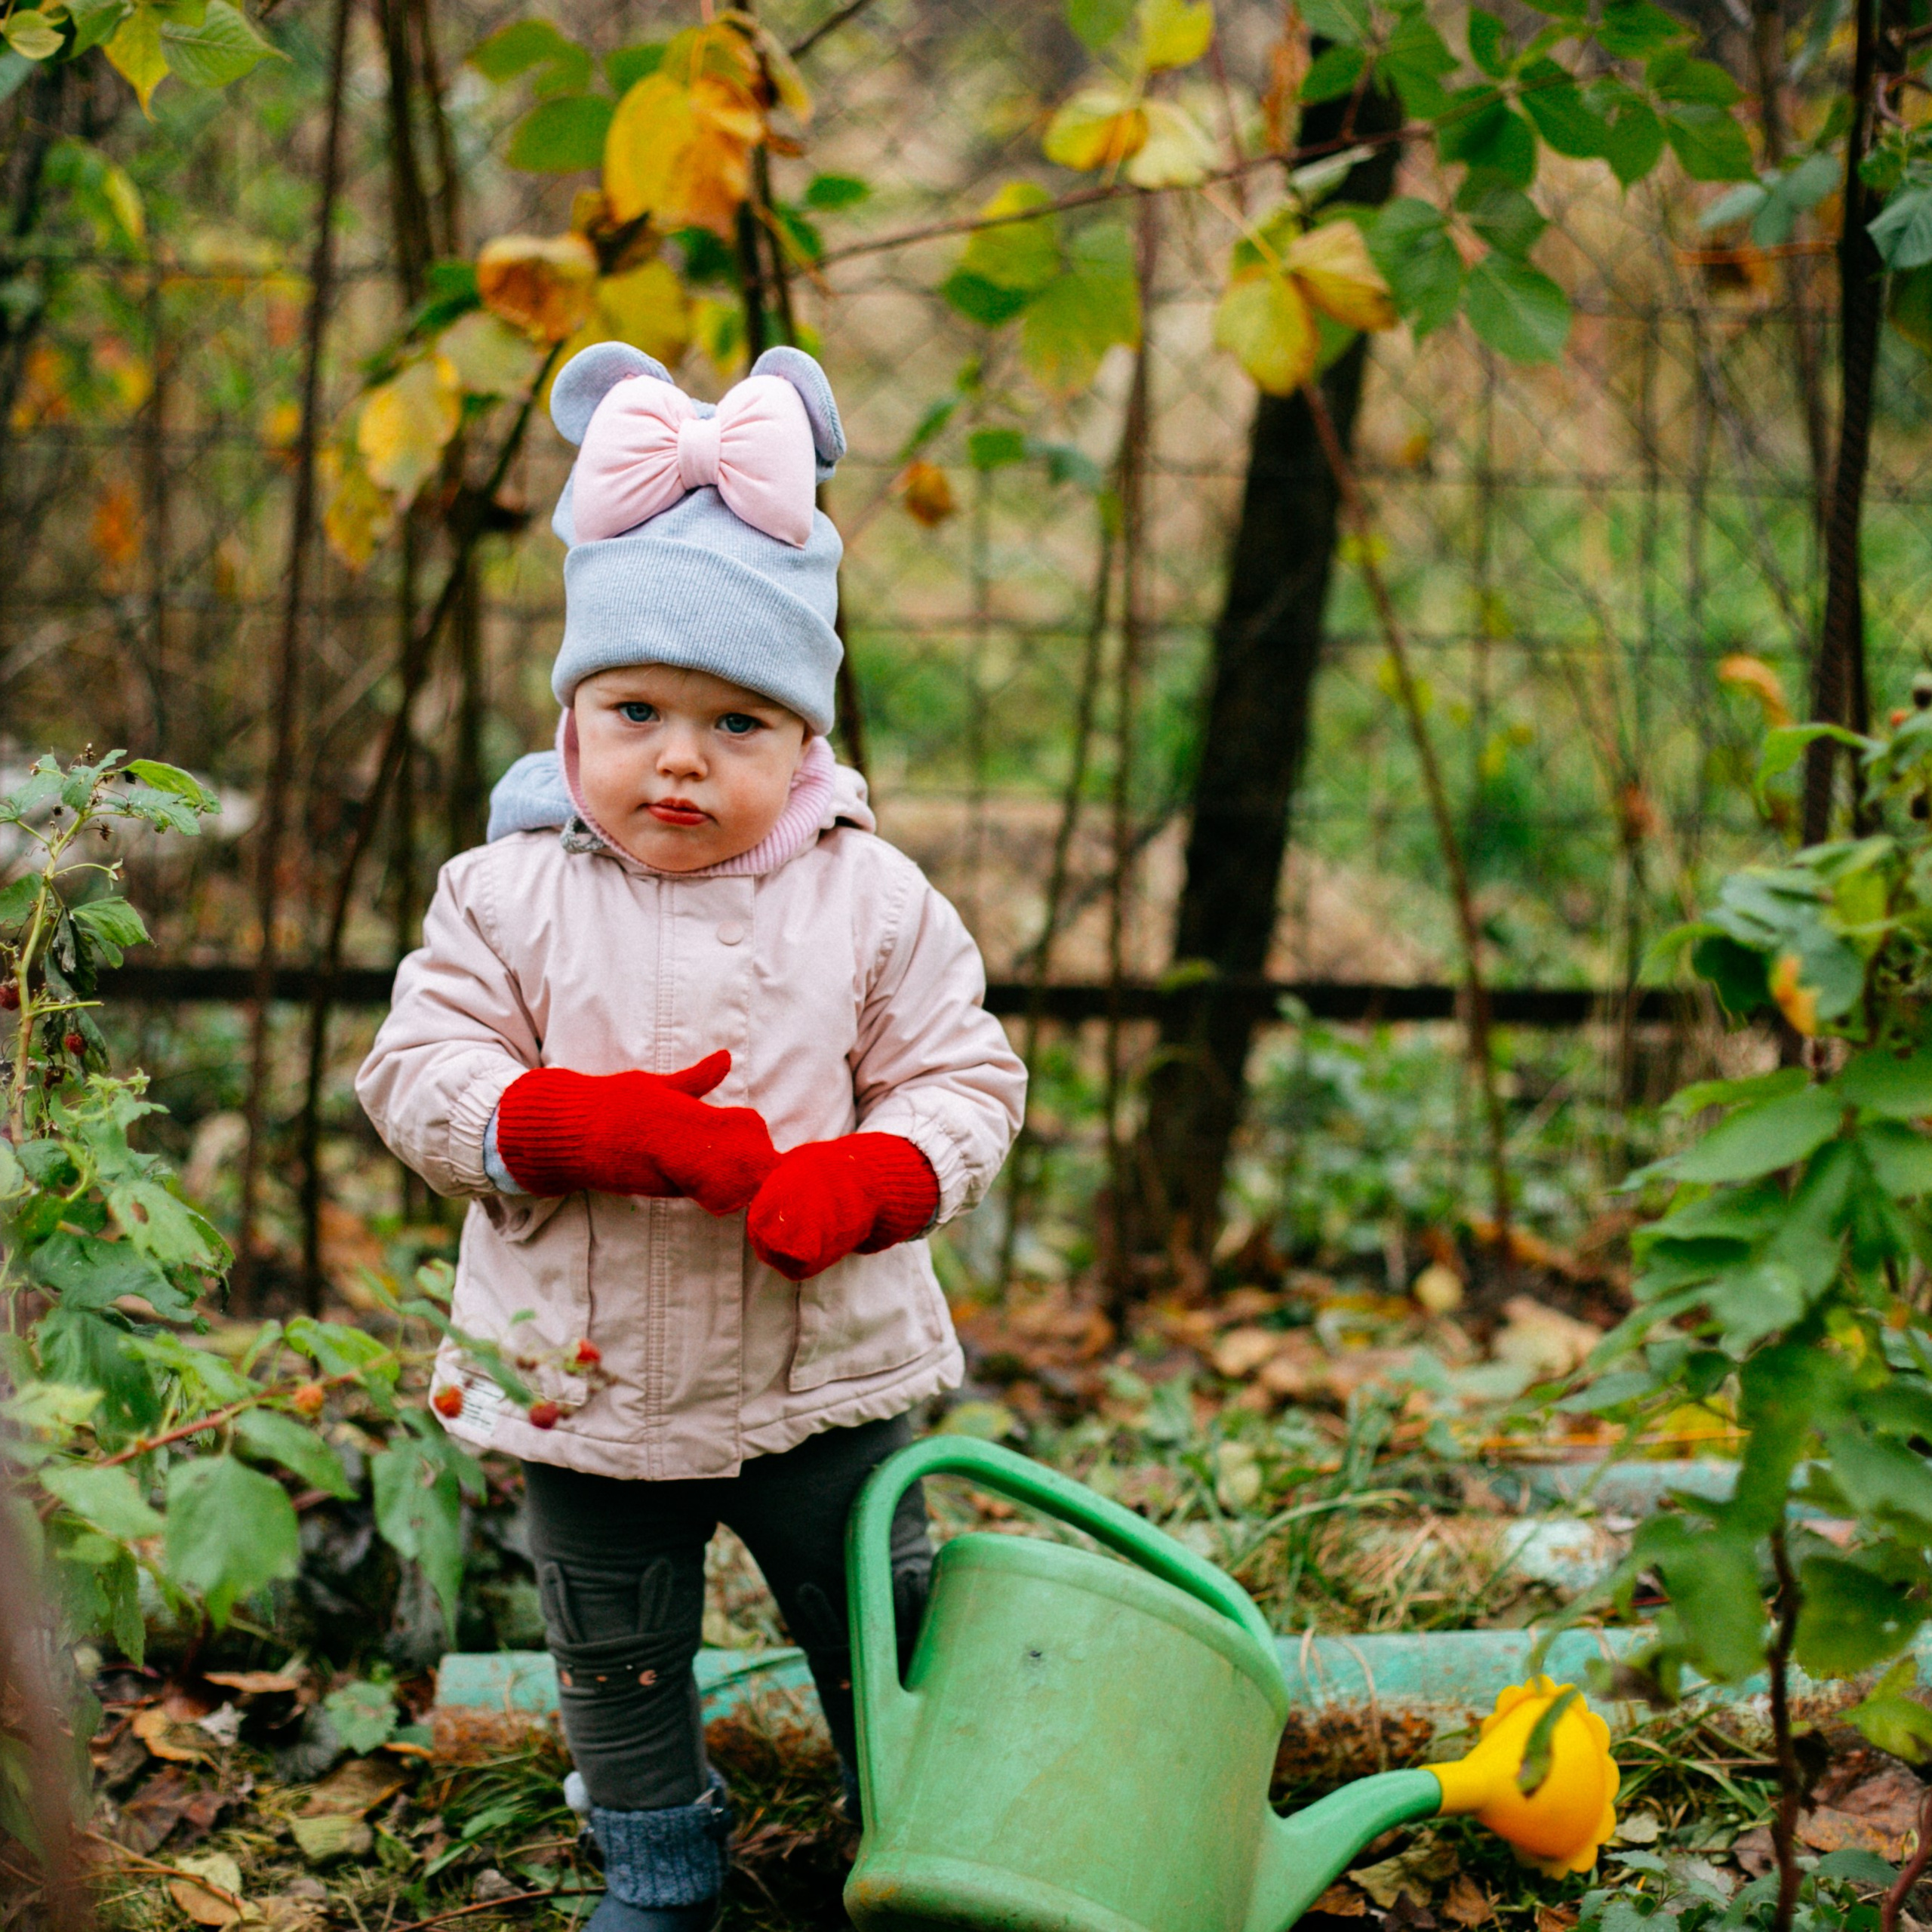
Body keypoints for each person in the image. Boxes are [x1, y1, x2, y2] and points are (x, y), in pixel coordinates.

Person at [355, 341, 1026, 1932]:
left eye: (737, 721)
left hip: (823, 1366)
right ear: (573, 715)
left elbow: (961, 1072)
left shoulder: (869, 895)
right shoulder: (500, 893)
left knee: (879, 1610)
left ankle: (921, 1835)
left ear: (805, 740)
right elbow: (414, 1067)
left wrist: (877, 1172)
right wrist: (559, 1120)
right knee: (611, 1632)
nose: (678, 756)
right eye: (636, 708)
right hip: (580, 1376)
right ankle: (659, 1865)